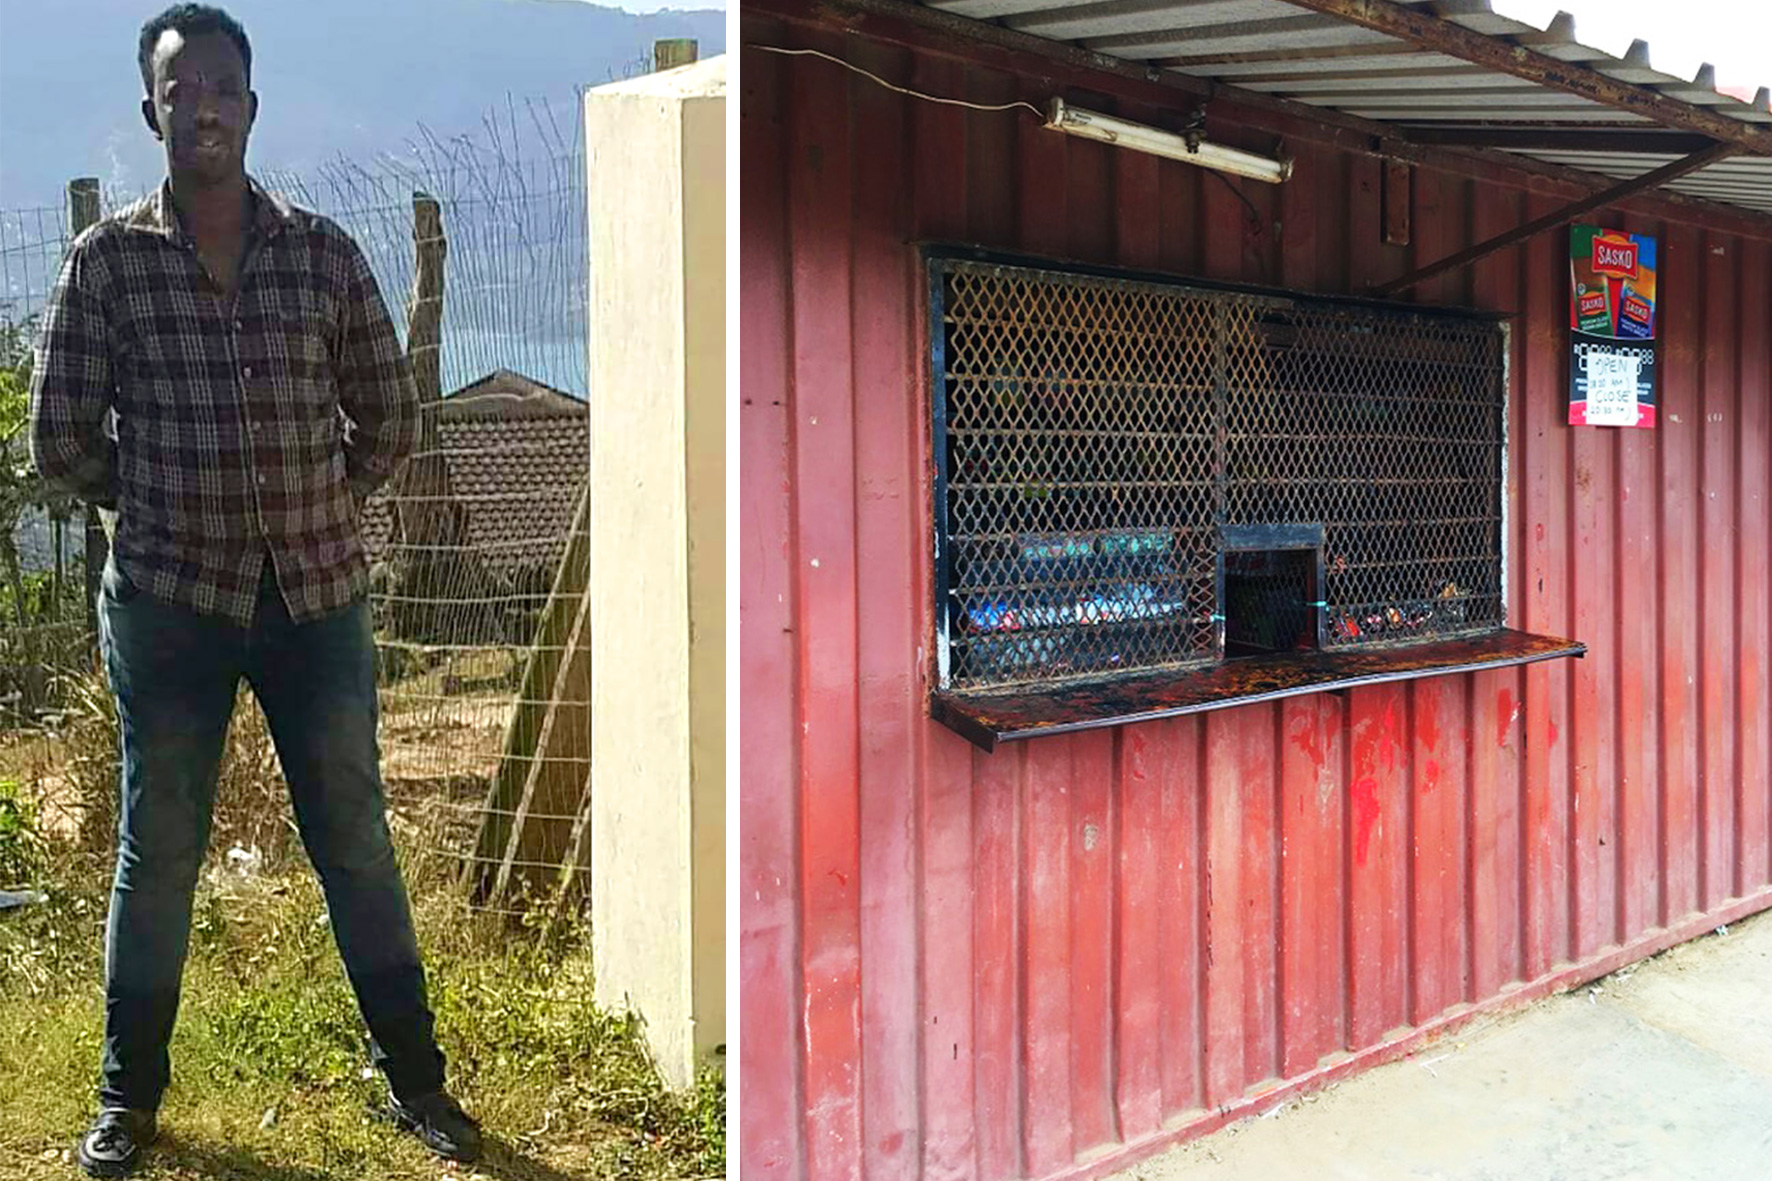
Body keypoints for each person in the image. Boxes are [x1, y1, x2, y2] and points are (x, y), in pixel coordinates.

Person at [28, 5, 480, 1175]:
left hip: (315, 600)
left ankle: (419, 1083)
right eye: (182, 91)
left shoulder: (322, 253)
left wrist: (321, 506)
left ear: (252, 104)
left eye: (224, 86)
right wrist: (159, 500)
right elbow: (60, 437)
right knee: (158, 845)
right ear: (152, 114)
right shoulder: (109, 263)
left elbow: (389, 413)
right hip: (170, 602)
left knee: (355, 840)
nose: (206, 108)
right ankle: (128, 1098)